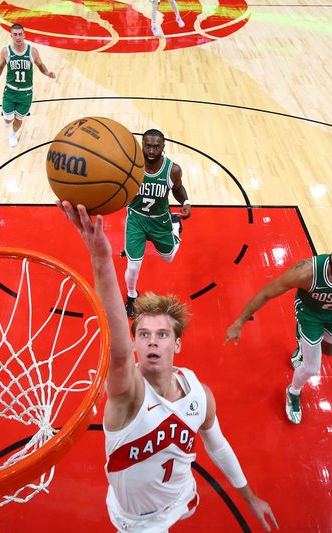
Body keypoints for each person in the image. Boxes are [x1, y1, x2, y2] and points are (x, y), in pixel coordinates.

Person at [58, 200, 278, 532]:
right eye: (143, 334)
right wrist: (101, 261)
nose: (152, 341)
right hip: (136, 522)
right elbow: (117, 355)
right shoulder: (127, 395)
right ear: (135, 344)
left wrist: (250, 497)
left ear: (177, 344)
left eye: (162, 334)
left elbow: (217, 445)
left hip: (181, 497)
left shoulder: (199, 394)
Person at [224, 228, 332, 425]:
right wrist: (240, 321)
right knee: (312, 368)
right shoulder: (306, 271)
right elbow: (266, 293)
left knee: (329, 350)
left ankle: (302, 348)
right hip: (309, 314)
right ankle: (293, 392)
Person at [123, 129, 191, 318]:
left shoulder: (173, 169)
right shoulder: (130, 165)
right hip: (136, 218)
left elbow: (178, 189)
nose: (151, 150)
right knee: (133, 265)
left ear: (163, 147)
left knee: (168, 258)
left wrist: (185, 202)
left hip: (160, 219)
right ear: (142, 144)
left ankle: (175, 226)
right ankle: (131, 296)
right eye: (147, 145)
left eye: (155, 146)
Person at [0, 23, 55, 147]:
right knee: (8, 119)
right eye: (15, 35)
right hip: (10, 91)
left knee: (19, 118)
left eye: (20, 34)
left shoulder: (32, 51)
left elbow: (40, 65)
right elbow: (0, 66)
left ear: (24, 35)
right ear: (11, 36)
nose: (18, 37)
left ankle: (12, 135)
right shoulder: (6, 51)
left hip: (26, 92)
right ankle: (7, 120)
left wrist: (47, 73)